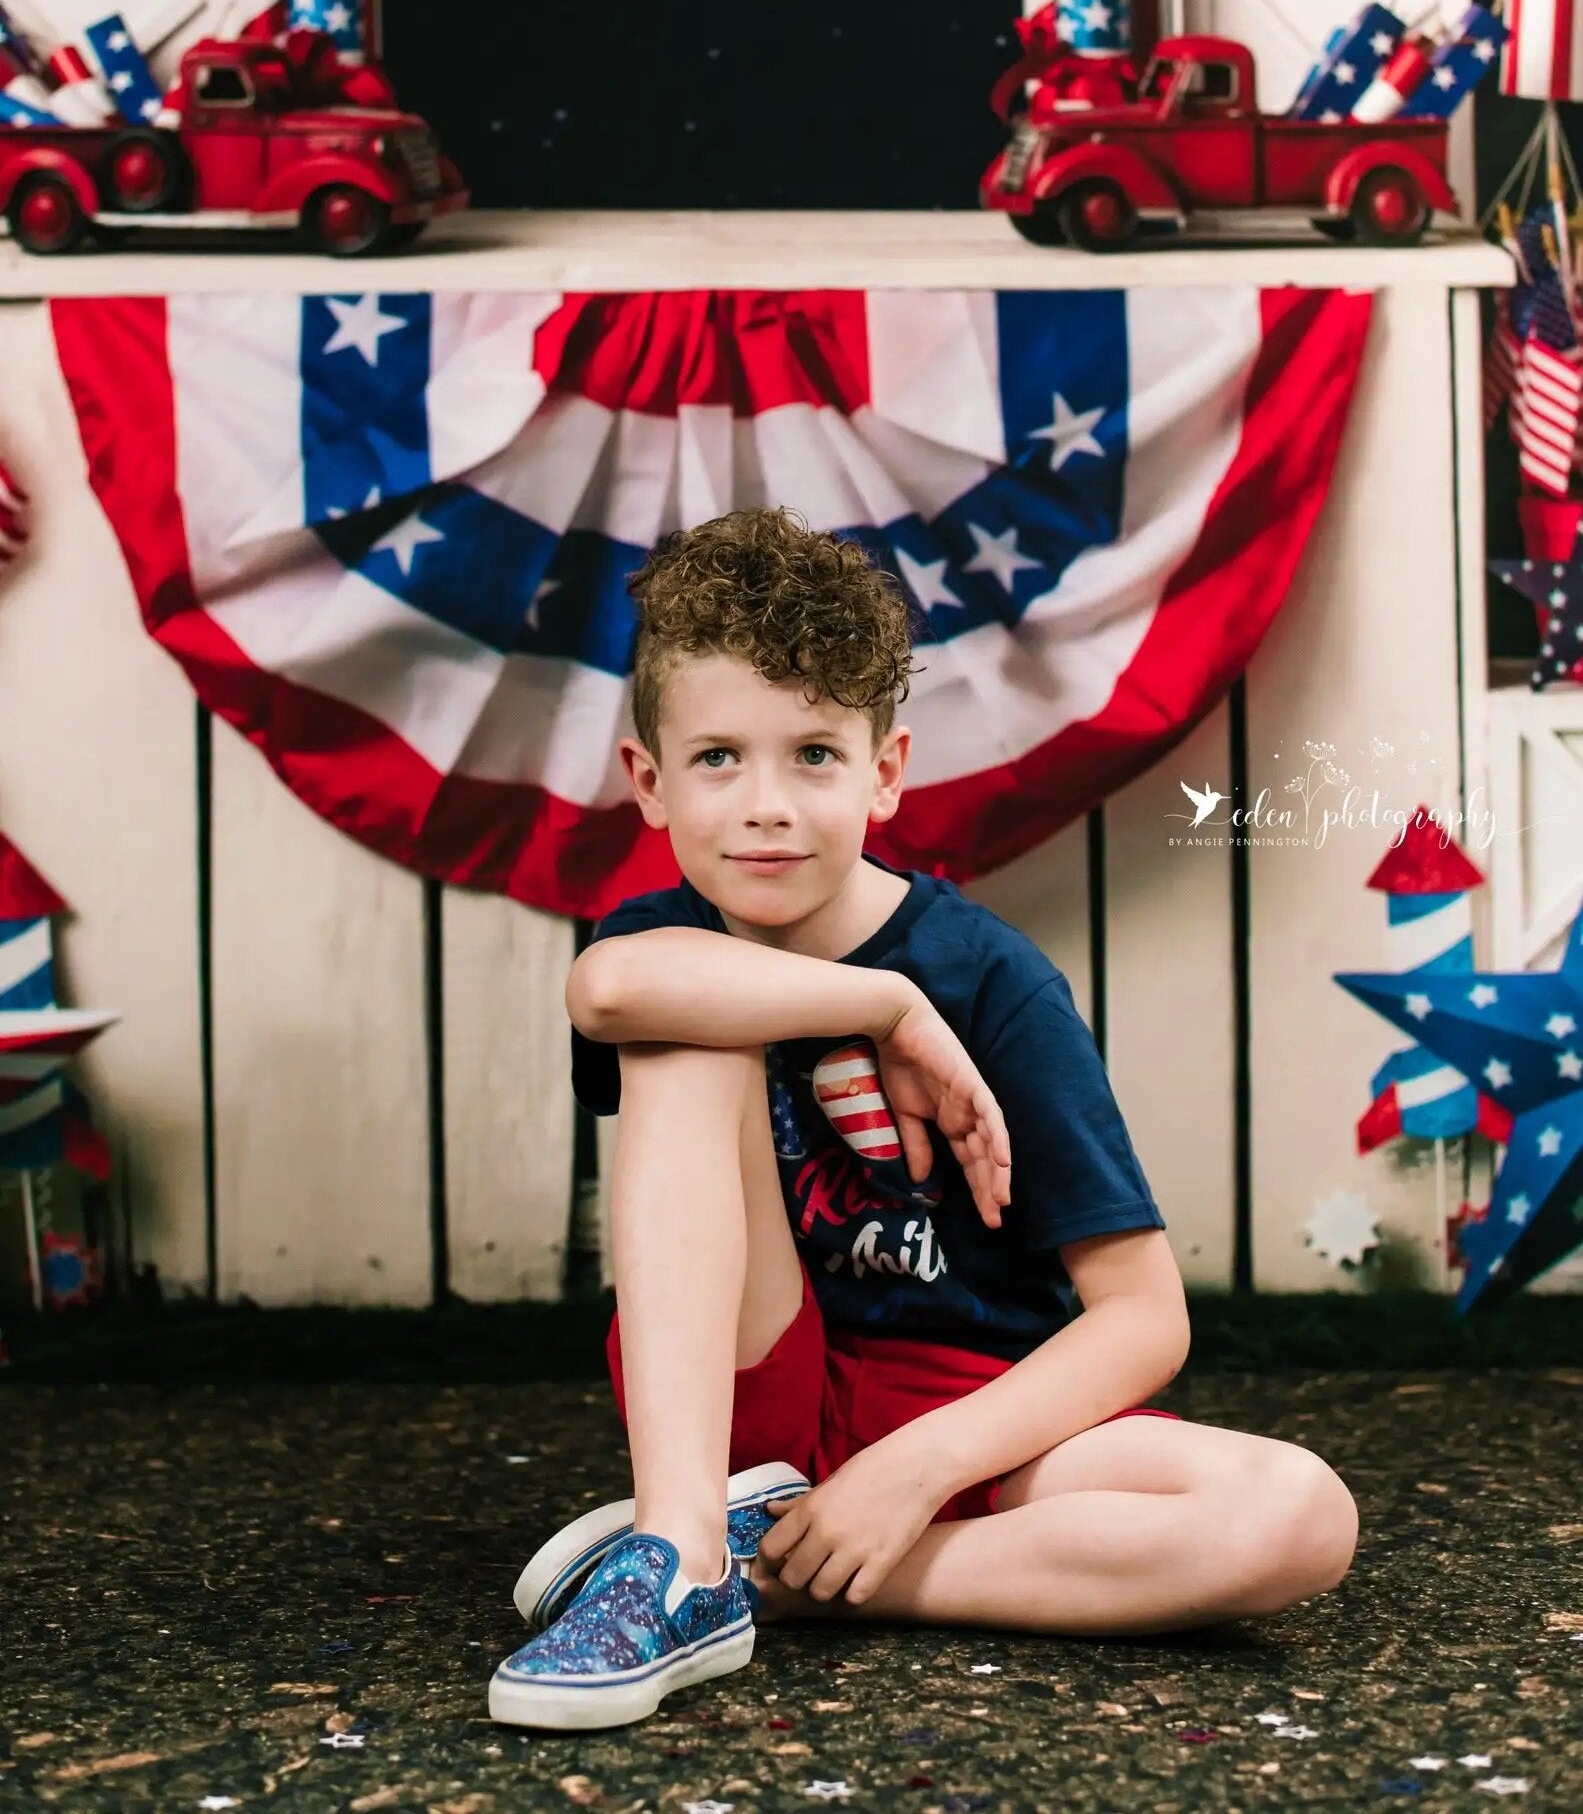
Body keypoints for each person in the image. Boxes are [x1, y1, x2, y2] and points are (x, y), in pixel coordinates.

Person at [488, 506, 1359, 1733]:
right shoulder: (668, 945)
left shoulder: (990, 978)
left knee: (1294, 1513)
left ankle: (781, 1576)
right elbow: (609, 989)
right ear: (649, 779)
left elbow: (1142, 1315)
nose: (765, 806)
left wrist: (919, 1466)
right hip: (753, 1391)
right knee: (686, 1025)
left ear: (884, 770)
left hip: (963, 1402)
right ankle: (686, 1541)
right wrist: (885, 1007)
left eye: (813, 755)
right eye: (718, 757)